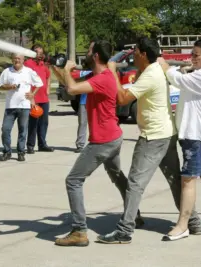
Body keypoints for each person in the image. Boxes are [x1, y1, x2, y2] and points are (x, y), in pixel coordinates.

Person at [97, 37, 201, 245]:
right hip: (166, 133)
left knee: (135, 184)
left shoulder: (151, 73)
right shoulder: (154, 69)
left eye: (135, 51)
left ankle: (125, 230)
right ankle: (194, 221)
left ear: (144, 54)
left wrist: (112, 72)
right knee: (174, 182)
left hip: (153, 137)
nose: (133, 55)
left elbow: (123, 99)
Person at [51, 40, 143, 247]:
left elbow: (73, 89)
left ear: (95, 56)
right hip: (113, 136)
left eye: (90, 50)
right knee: (118, 177)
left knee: (73, 180)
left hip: (102, 140)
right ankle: (134, 214)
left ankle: (79, 231)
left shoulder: (102, 78)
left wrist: (66, 69)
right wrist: (57, 66)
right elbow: (69, 83)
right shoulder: (97, 76)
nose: (86, 52)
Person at [155, 39, 201, 241]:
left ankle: (183, 225)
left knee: (188, 179)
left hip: (197, 136)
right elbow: (187, 81)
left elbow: (176, 79)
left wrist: (164, 64)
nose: (192, 58)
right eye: (191, 54)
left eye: (196, 55)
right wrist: (187, 68)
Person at [0, 53, 43, 162]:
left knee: (23, 130)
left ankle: (21, 152)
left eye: (19, 58)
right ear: (12, 59)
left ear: (23, 60)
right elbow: (1, 86)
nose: (17, 60)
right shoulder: (7, 71)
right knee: (5, 129)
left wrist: (32, 94)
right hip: (10, 106)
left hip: (24, 106)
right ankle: (7, 152)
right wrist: (10, 86)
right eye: (15, 58)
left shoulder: (28, 71)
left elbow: (39, 83)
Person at [24, 44, 54, 154]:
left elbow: (48, 76)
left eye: (41, 52)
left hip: (44, 99)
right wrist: (30, 95)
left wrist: (48, 88)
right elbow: (25, 79)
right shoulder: (28, 64)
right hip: (34, 98)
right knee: (33, 123)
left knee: (44, 123)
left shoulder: (44, 64)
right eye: (37, 52)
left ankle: (42, 144)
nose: (39, 54)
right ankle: (30, 145)